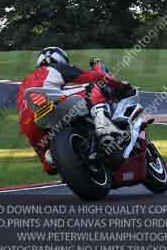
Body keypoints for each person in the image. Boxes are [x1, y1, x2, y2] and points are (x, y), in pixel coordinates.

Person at [17, 47, 124, 175]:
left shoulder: (25, 82)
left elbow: (50, 172)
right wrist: (117, 84)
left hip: (28, 122)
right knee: (95, 86)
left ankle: (52, 156)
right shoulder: (56, 68)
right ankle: (103, 127)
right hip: (50, 105)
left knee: (50, 166)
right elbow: (92, 76)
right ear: (61, 60)